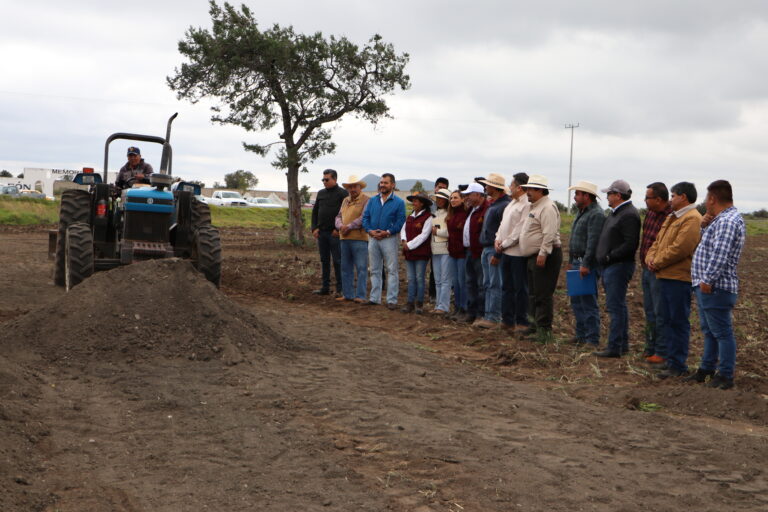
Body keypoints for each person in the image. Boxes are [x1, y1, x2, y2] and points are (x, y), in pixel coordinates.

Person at [685, 180, 745, 390]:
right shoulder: (719, 220)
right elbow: (708, 246)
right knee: (710, 331)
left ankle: (725, 375)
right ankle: (706, 369)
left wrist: (708, 280)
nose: (705, 203)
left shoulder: (727, 221)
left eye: (706, 198)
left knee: (722, 332)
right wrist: (703, 226)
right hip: (708, 286)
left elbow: (720, 254)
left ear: (712, 199)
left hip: (715, 287)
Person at [646, 181, 702, 378]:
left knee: (677, 321)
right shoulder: (673, 217)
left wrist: (657, 262)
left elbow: (681, 248)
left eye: (673, 196)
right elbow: (657, 242)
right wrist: (650, 258)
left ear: (683, 197)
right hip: (665, 275)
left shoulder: (692, 218)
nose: (671, 199)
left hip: (679, 277)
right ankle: (670, 361)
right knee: (667, 320)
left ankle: (677, 365)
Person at [593, 179, 641, 358]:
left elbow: (630, 244)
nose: (607, 197)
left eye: (609, 194)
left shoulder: (628, 214)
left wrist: (609, 256)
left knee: (615, 307)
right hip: (611, 266)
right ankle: (622, 344)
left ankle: (615, 347)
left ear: (618, 195)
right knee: (617, 306)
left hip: (619, 266)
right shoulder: (616, 213)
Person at [518, 175, 562, 340]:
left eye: (530, 189)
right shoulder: (536, 206)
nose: (527, 192)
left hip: (545, 256)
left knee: (542, 294)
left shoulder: (547, 207)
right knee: (533, 293)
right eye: (527, 189)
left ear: (540, 190)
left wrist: (543, 253)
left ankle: (544, 331)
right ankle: (533, 326)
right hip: (533, 256)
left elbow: (549, 233)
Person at [565, 180, 605, 347]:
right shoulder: (581, 212)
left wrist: (586, 264)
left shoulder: (596, 214)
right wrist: (570, 260)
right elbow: (575, 238)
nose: (574, 197)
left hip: (586, 263)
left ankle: (592, 338)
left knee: (587, 301)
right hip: (577, 261)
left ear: (586, 196)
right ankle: (581, 335)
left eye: (577, 194)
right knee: (576, 300)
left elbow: (593, 242)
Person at [640, 182, 673, 363]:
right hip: (646, 269)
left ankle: (661, 351)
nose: (645, 200)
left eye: (647, 197)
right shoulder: (650, 213)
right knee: (650, 311)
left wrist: (655, 261)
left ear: (658, 199)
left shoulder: (671, 216)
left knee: (661, 312)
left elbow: (666, 245)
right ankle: (650, 346)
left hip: (659, 271)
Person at [362, 173, 406, 309]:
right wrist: (369, 230)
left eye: (385, 183)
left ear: (392, 185)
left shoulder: (399, 202)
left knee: (392, 270)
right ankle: (375, 298)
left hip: (389, 239)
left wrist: (388, 232)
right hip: (373, 238)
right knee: (374, 269)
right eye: (381, 182)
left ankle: (391, 300)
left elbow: (401, 221)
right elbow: (365, 218)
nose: (382, 185)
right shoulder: (373, 200)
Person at [474, 173, 511, 329]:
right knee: (488, 283)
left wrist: (498, 253)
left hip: (493, 249)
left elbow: (505, 231)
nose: (485, 188)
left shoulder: (502, 206)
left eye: (487, 185)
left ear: (494, 188)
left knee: (494, 283)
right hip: (487, 248)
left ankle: (493, 316)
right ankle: (490, 315)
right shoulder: (495, 204)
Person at [496, 172, 531, 333]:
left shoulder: (526, 205)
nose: (510, 187)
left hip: (517, 253)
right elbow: (503, 225)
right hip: (505, 251)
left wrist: (504, 244)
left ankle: (521, 321)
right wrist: (498, 239)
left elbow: (520, 230)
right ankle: (507, 319)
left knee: (520, 288)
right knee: (507, 287)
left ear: (520, 187)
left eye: (512, 185)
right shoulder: (511, 203)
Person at [311, 169, 348, 295]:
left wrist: (338, 229)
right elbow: (315, 212)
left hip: (335, 234)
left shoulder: (343, 193)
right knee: (324, 260)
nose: (324, 182)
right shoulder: (320, 193)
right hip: (322, 233)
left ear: (335, 179)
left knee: (338, 261)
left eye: (327, 179)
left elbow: (346, 214)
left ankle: (340, 289)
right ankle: (325, 287)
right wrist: (314, 228)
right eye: (323, 179)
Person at [335, 175, 370, 303]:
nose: (352, 189)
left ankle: (360, 295)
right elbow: (338, 216)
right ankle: (348, 294)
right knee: (345, 267)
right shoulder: (345, 200)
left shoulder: (367, 200)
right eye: (350, 187)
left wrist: (349, 226)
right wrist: (340, 226)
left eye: (355, 186)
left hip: (359, 238)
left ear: (360, 187)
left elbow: (364, 217)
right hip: (344, 238)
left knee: (361, 268)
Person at [457, 183, 489, 323]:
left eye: (469, 194)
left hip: (479, 252)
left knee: (481, 284)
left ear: (478, 195)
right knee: (470, 282)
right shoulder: (471, 209)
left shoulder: (486, 209)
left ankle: (480, 313)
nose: (467, 197)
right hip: (469, 250)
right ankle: (472, 312)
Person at [400, 192, 433, 314]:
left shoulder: (428, 217)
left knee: (419, 278)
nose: (413, 203)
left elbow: (424, 235)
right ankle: (410, 303)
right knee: (411, 278)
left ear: (422, 203)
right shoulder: (410, 217)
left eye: (416, 201)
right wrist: (404, 240)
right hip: (409, 253)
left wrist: (409, 245)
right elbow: (403, 230)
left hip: (421, 253)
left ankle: (419, 303)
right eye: (413, 201)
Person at [446, 190, 469, 318]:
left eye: (455, 198)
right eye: (451, 198)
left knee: (462, 281)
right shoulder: (451, 215)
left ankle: (464, 308)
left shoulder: (465, 214)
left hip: (462, 253)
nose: (453, 200)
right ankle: (457, 307)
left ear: (462, 199)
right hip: (452, 253)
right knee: (455, 282)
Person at [429, 189, 452, 314]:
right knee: (437, 279)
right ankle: (438, 304)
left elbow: (450, 232)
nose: (439, 200)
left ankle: (444, 306)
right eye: (437, 198)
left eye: (442, 198)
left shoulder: (449, 215)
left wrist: (437, 232)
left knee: (445, 279)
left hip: (445, 249)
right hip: (435, 249)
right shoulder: (435, 214)